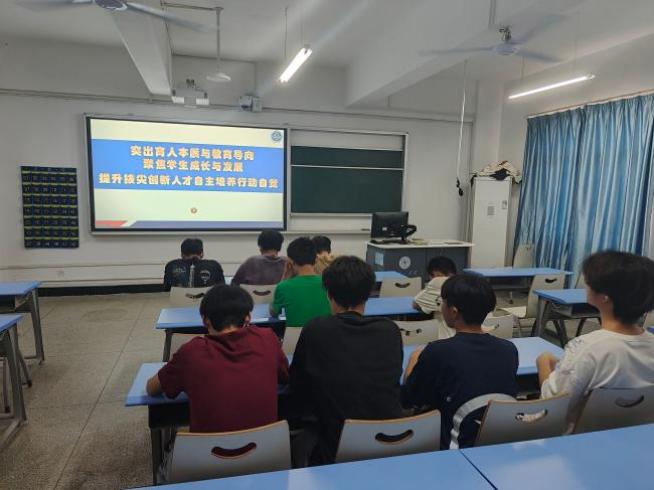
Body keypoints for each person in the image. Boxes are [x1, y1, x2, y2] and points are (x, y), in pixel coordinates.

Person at [146, 285, 288, 481]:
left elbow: (152, 388)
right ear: (248, 317)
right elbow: (285, 377)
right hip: (267, 460)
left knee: (162, 468)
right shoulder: (268, 339)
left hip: (206, 467)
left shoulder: (191, 353)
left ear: (205, 320)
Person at [290, 256, 404, 464]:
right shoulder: (390, 330)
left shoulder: (316, 329)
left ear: (329, 294)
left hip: (336, 448)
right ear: (369, 294)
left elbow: (297, 384)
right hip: (390, 443)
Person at [538, 251, 654, 426]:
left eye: (590, 281)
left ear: (605, 297)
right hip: (635, 436)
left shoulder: (586, 348)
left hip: (576, 439)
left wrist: (543, 364)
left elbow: (552, 407)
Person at [402, 274, 518, 449]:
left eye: (442, 302)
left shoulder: (437, 351)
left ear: (453, 312)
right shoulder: (509, 349)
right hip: (500, 444)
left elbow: (410, 399)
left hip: (456, 448)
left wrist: (413, 359)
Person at [270, 237, 331, 328]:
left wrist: (284, 278)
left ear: (291, 262)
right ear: (315, 259)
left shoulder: (284, 286)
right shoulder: (329, 283)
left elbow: (273, 313)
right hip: (325, 335)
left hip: (295, 337)